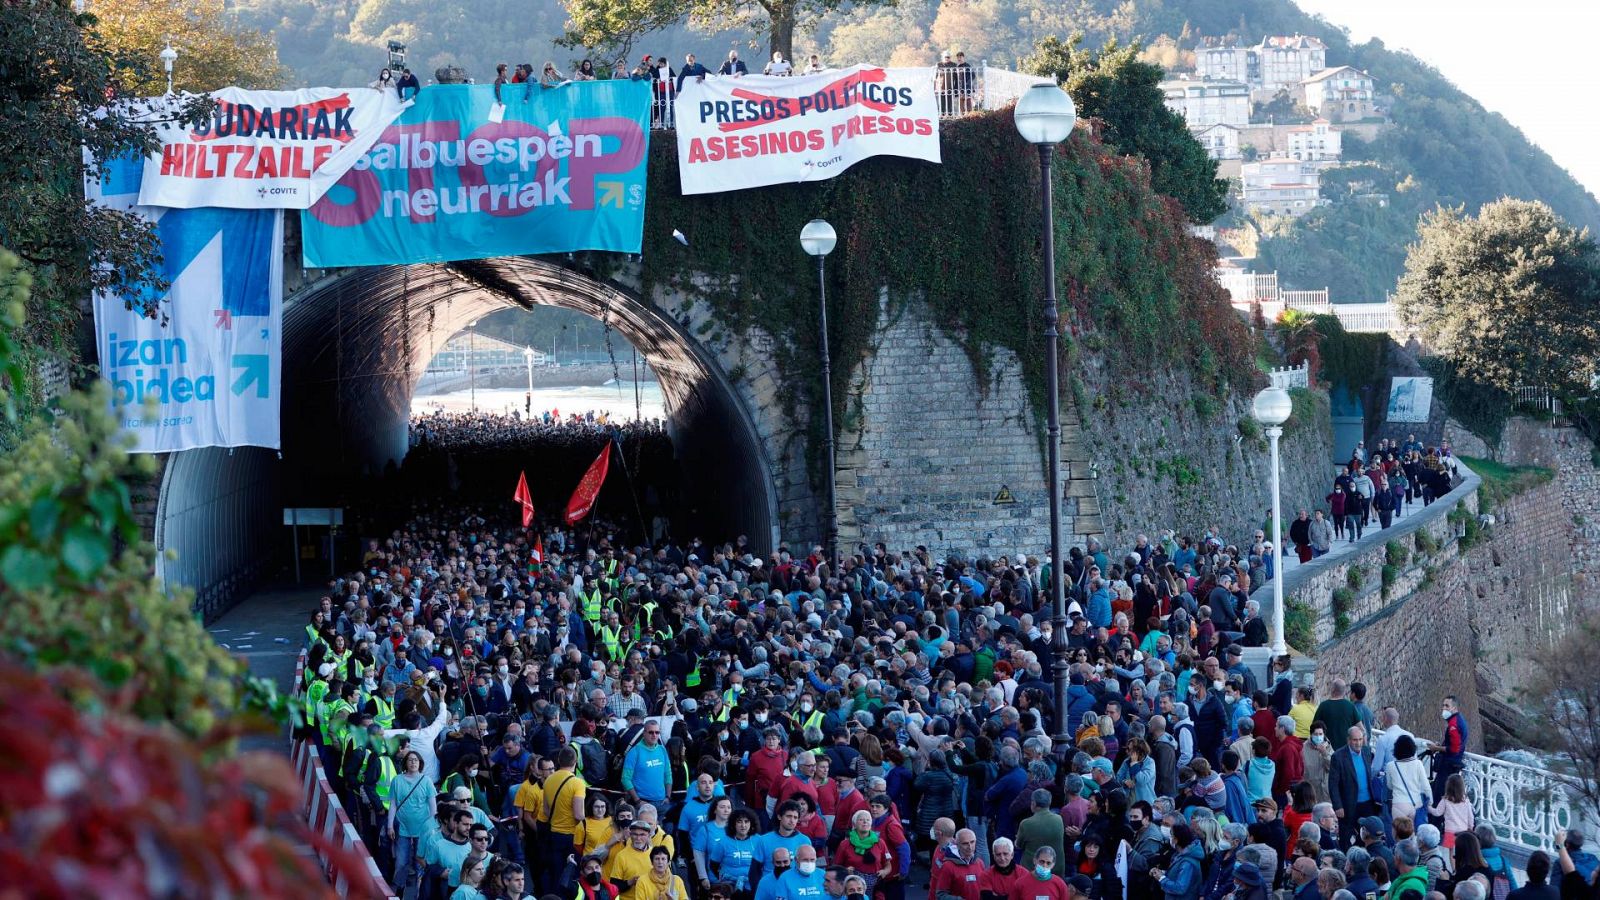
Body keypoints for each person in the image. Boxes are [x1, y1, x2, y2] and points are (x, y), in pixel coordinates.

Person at [388, 750, 437, 897]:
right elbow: (393, 804)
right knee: (401, 862)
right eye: (410, 760)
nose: (413, 762)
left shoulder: (426, 781)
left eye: (416, 760)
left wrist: (432, 828)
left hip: (422, 829)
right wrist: (390, 825)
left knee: (419, 864)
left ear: (420, 763)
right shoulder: (397, 780)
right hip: (402, 828)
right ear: (405, 763)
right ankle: (400, 887)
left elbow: (432, 807)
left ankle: (418, 892)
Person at [1330, 726, 1377, 852]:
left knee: (1368, 835)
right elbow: (1333, 784)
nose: (1358, 743)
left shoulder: (1367, 752)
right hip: (1348, 805)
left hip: (1368, 803)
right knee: (1346, 837)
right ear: (1348, 740)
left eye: (1360, 739)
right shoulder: (1338, 756)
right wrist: (1338, 806)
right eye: (1355, 740)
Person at [1015, 790, 1065, 878]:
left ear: (1033, 803)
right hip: (1056, 870)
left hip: (1032, 871)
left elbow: (1018, 845)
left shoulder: (1026, 823)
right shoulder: (1059, 819)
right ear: (1049, 803)